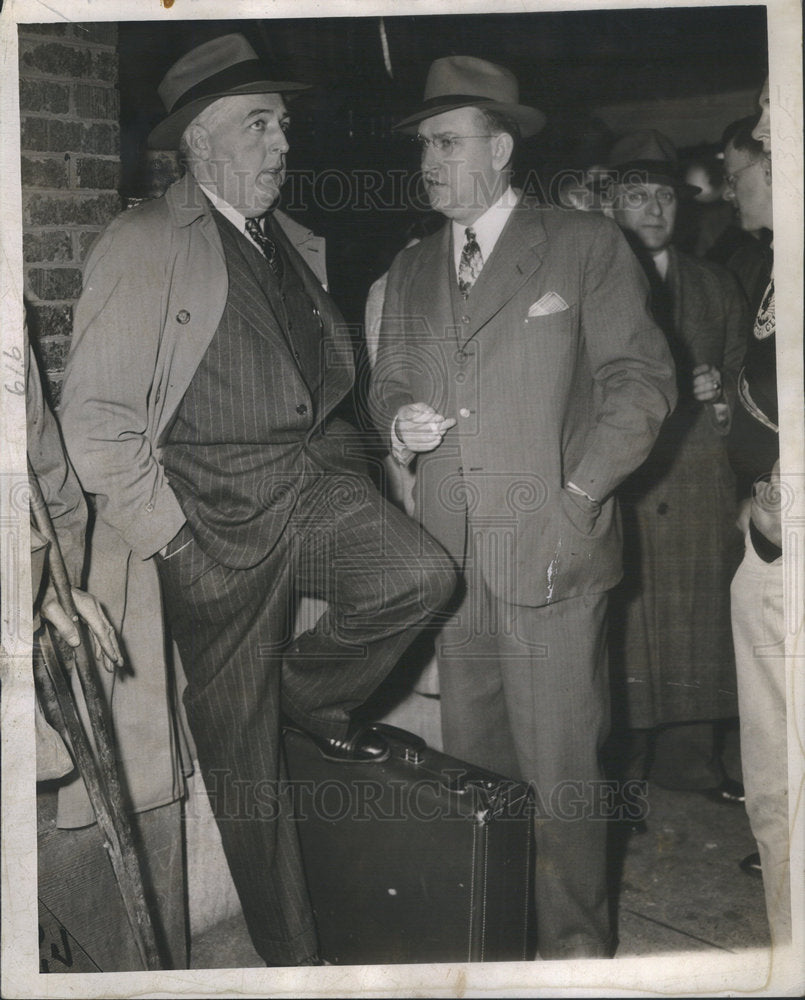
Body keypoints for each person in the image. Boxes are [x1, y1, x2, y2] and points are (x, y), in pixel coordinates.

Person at [60, 33, 456, 967]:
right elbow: (97, 423)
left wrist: (360, 475)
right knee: (251, 785)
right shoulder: (146, 242)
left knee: (419, 576)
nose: (283, 142)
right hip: (212, 530)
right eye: (258, 123)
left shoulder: (290, 242)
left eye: (281, 123)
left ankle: (284, 701)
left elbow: (322, 392)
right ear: (199, 144)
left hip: (313, 495)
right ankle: (295, 962)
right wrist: (172, 541)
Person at [369, 55, 677, 959]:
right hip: (452, 562)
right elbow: (390, 372)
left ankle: (577, 955)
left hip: (553, 551)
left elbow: (642, 384)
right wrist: (399, 417)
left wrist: (578, 494)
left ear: (499, 148)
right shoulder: (415, 261)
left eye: (446, 141)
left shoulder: (581, 246)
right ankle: (497, 949)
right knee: (479, 776)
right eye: (423, 143)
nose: (428, 159)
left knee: (563, 776)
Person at [600, 130, 748, 799]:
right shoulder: (590, 279)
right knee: (624, 626)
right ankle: (619, 768)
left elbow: (752, 392)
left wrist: (721, 404)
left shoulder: (716, 286)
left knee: (697, 620)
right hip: (625, 478)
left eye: (664, 196)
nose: (655, 209)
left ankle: (689, 759)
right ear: (611, 204)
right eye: (638, 195)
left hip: (694, 478)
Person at [725, 77, 790, 945]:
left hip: (789, 548)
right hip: (771, 543)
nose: (742, 157)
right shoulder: (776, 261)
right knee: (775, 792)